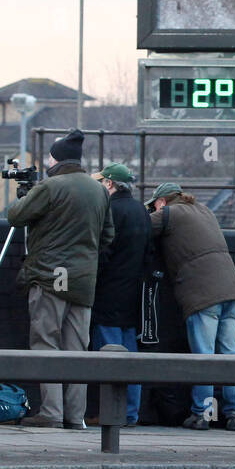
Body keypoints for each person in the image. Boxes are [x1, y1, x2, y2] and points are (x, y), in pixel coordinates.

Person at [7, 129, 114, 430]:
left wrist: (28, 196)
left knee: (45, 342)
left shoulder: (50, 186)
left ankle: (51, 413)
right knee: (77, 349)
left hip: (50, 276)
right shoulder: (99, 191)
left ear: (55, 159)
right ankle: (75, 415)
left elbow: (15, 216)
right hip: (82, 280)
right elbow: (108, 236)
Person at [149, 181, 235, 431]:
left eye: (155, 206)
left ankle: (201, 414)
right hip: (231, 289)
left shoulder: (168, 213)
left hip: (202, 294)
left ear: (161, 201)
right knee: (231, 355)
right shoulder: (205, 211)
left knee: (204, 355)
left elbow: (140, 228)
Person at [88, 163, 148, 427]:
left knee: (109, 356)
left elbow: (103, 252)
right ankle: (130, 413)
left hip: (109, 294)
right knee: (131, 360)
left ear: (110, 184)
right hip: (133, 296)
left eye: (102, 182)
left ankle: (111, 413)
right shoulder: (141, 211)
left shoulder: (110, 210)